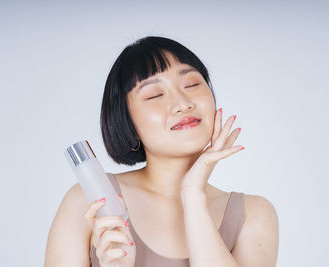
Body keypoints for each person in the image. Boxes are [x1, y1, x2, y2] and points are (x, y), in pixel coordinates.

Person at [44, 36, 279, 267]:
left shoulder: (253, 215)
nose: (182, 103)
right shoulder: (91, 201)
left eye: (192, 84)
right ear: (127, 122)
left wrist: (192, 194)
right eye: (155, 95)